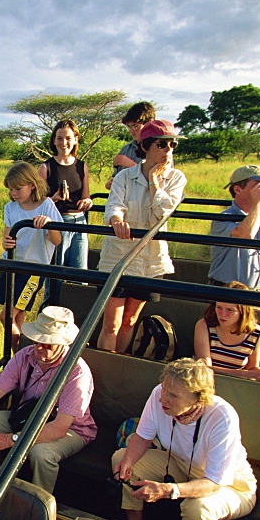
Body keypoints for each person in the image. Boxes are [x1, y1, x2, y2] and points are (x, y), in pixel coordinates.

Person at [111, 358, 257, 520]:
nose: (163, 398)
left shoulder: (222, 417)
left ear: (199, 399)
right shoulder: (158, 395)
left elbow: (213, 483)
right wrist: (127, 464)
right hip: (180, 465)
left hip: (229, 486)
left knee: (197, 508)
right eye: (164, 389)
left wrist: (166, 490)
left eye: (173, 395)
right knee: (121, 458)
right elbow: (143, 437)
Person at [0, 306, 97, 493]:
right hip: (28, 416)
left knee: (42, 454)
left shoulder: (77, 372)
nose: (39, 347)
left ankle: (39, 502)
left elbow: (60, 427)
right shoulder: (24, 356)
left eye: (47, 343)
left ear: (62, 344)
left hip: (71, 429)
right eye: (37, 340)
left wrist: (9, 439)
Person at [96, 119, 186, 353]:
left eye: (172, 145)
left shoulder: (176, 178)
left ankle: (120, 366)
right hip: (118, 256)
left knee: (129, 321)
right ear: (145, 147)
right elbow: (114, 206)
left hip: (151, 261)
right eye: (162, 144)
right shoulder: (125, 177)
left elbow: (164, 213)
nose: (168, 151)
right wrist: (117, 221)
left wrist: (155, 182)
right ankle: (105, 373)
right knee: (111, 324)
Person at [0, 162, 63, 351]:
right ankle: (18, 360)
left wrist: (49, 224)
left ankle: (22, 355)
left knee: (5, 317)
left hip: (32, 270)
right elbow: (7, 237)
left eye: (18, 188)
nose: (14, 193)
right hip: (11, 265)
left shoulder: (46, 205)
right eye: (11, 189)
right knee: (18, 316)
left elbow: (57, 241)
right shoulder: (10, 207)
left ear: (32, 184)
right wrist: (6, 243)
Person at [194, 281, 260, 384]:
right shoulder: (204, 325)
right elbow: (204, 368)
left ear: (243, 312)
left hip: (236, 385)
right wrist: (244, 374)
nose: (223, 314)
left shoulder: (255, 333)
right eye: (219, 307)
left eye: (230, 310)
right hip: (206, 382)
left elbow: (252, 368)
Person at [38, 119, 93, 271]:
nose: (64, 143)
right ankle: (54, 296)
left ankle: (77, 295)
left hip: (80, 222)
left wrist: (88, 202)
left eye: (68, 138)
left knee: (80, 272)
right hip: (57, 221)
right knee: (57, 272)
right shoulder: (45, 167)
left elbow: (86, 196)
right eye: (60, 138)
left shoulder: (82, 166)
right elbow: (36, 202)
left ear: (76, 139)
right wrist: (53, 199)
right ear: (54, 141)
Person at [105, 102, 156, 191]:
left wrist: (131, 165)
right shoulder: (126, 149)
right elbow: (116, 179)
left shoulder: (162, 148)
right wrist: (111, 183)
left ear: (150, 122)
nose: (131, 131)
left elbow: (161, 183)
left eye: (136, 126)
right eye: (129, 127)